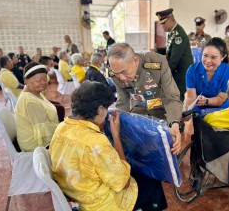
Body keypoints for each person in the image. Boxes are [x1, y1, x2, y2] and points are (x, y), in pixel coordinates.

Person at [50, 81, 168, 211]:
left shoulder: (61, 128)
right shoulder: (95, 142)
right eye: (106, 108)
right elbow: (124, 183)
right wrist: (116, 136)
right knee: (152, 183)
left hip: (77, 193)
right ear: (100, 110)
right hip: (102, 204)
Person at [108, 42, 182, 155]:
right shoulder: (116, 71)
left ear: (135, 61)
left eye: (124, 72)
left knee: (167, 146)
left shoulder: (156, 63)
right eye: (116, 73)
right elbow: (123, 100)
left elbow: (171, 96)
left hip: (162, 110)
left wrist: (175, 124)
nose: (121, 78)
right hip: (139, 110)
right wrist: (120, 122)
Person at [183, 37, 229, 115]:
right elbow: (191, 98)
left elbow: (221, 99)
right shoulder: (192, 70)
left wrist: (206, 101)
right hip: (197, 109)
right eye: (205, 55)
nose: (208, 61)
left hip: (220, 111)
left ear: (223, 57)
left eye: (213, 57)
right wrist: (186, 113)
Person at [15, 62, 59, 152]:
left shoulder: (34, 92)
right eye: (38, 80)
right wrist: (63, 129)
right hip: (36, 146)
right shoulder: (30, 101)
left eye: (45, 79)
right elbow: (44, 132)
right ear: (26, 81)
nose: (43, 82)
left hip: (41, 136)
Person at [156, 8, 193, 101]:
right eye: (161, 24)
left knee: (179, 99)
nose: (162, 26)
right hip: (176, 72)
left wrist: (162, 76)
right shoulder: (173, 32)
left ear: (172, 19)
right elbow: (170, 49)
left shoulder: (178, 35)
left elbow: (173, 60)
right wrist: (156, 51)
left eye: (164, 23)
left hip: (181, 73)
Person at [39, 56, 66, 122]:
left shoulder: (45, 74)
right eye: (50, 65)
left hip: (42, 99)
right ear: (45, 65)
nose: (52, 67)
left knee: (58, 104)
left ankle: (58, 123)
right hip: (38, 101)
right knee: (60, 108)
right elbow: (53, 79)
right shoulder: (41, 75)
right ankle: (59, 126)